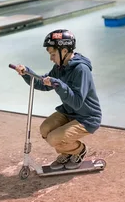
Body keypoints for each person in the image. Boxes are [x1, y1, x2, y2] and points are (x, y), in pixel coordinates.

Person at [14, 29, 102, 171]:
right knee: (45, 130)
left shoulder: (81, 70)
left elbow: (78, 102)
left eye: (53, 54)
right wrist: (26, 73)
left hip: (87, 117)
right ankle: (67, 153)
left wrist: (59, 85)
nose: (51, 58)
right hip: (69, 112)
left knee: (54, 138)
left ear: (65, 50)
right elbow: (42, 82)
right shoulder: (60, 67)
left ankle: (79, 151)